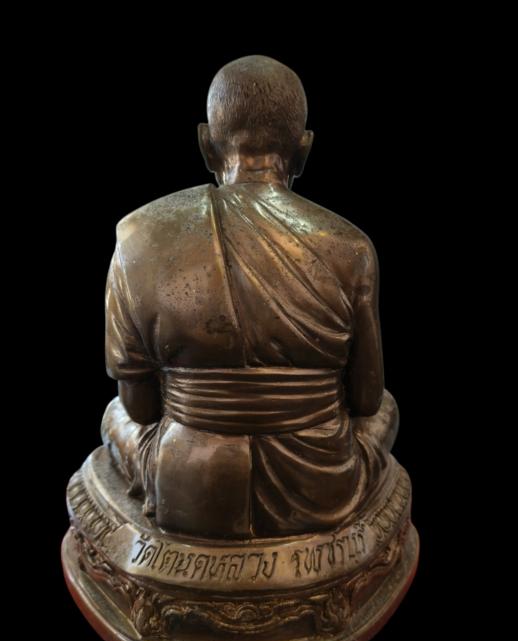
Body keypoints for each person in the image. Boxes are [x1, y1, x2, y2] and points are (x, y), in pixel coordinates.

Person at [101, 55, 399, 539]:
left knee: (113, 415)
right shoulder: (350, 247)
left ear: (206, 144)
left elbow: (140, 409)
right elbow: (366, 399)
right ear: (303, 150)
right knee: (388, 410)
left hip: (188, 480)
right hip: (318, 483)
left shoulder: (139, 235)